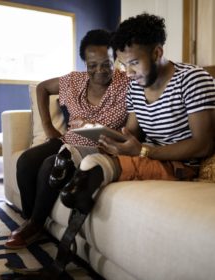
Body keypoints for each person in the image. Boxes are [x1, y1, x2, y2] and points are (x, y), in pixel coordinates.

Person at [59, 13, 215, 210]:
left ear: (157, 53)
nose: (129, 73)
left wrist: (143, 151)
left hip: (181, 165)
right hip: (148, 153)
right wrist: (94, 129)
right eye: (124, 65)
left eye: (134, 63)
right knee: (72, 156)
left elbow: (203, 145)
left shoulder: (193, 80)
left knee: (92, 170)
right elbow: (131, 134)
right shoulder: (135, 87)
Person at [5, 29, 130, 249]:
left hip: (99, 148)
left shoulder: (127, 86)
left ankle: (34, 225)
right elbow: (43, 88)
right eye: (92, 65)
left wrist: (95, 129)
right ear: (85, 63)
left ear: (115, 60)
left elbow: (131, 133)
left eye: (106, 64)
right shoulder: (74, 81)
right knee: (26, 162)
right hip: (67, 140)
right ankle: (32, 219)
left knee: (50, 165)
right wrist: (47, 126)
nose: (99, 71)